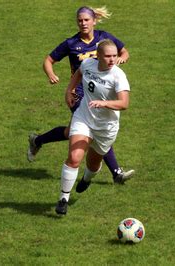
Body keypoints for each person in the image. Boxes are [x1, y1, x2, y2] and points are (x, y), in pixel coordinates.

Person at [27, 6, 134, 184]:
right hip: (79, 93)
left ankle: (38, 140)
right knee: (97, 128)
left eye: (86, 20)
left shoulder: (104, 38)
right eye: (80, 20)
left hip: (100, 91)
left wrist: (122, 58)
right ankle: (116, 173)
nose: (83, 23)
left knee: (72, 132)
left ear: (94, 21)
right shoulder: (71, 43)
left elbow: (124, 51)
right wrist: (51, 74)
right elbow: (48, 60)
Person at [55, 39, 130, 215]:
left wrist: (103, 103)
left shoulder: (118, 76)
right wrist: (69, 90)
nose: (112, 60)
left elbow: (124, 103)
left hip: (106, 127)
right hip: (84, 118)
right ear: (98, 55)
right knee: (74, 157)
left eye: (114, 56)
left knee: (93, 163)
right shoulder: (88, 63)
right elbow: (78, 73)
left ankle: (87, 179)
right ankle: (63, 199)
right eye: (108, 56)